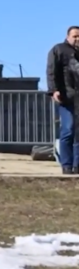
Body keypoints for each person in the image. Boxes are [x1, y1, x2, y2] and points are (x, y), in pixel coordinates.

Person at [46, 26, 79, 174]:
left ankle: (77, 165)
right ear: (68, 36)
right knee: (68, 129)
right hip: (67, 97)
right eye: (75, 36)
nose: (77, 39)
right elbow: (52, 70)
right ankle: (66, 164)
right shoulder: (58, 49)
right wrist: (54, 90)